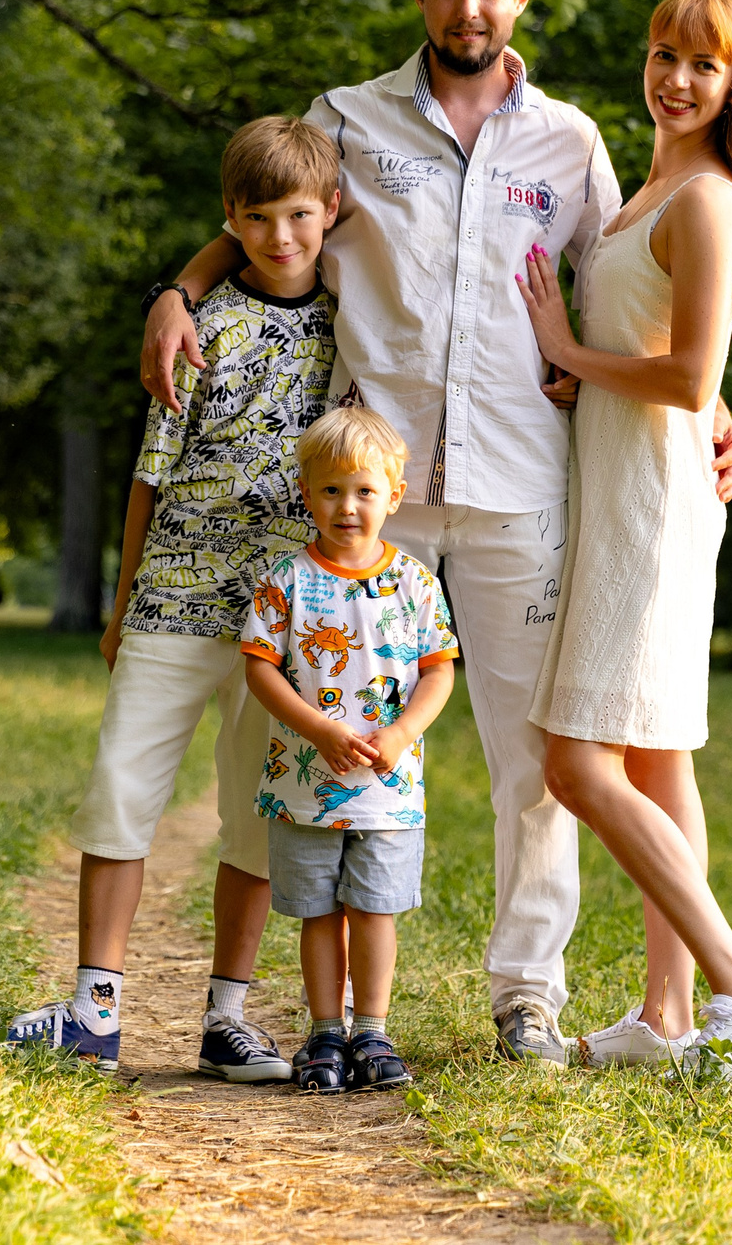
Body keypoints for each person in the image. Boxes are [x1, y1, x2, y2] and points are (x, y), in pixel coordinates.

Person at [139, 0, 732, 1065]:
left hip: (526, 486)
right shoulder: (350, 120)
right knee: (319, 730)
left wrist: (714, 404)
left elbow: (630, 273)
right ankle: (304, 1003)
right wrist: (178, 288)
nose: (469, 8)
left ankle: (528, 991)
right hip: (377, 493)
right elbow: (278, 216)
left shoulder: (569, 140)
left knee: (535, 757)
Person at [6, 116, 342, 1081]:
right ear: (230, 220)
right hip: (172, 603)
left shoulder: (350, 328)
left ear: (329, 214)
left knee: (253, 816)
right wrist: (120, 605)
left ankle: (226, 1019)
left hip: (280, 619)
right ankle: (93, 1008)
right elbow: (147, 480)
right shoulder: (198, 328)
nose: (282, 238)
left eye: (299, 216)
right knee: (121, 792)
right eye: (259, 218)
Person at [515, 0, 732, 1069]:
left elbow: (689, 379)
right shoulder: (651, 190)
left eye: (702, 64)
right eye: (662, 55)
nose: (675, 79)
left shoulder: (707, 200)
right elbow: (665, 357)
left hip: (653, 506)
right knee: (654, 758)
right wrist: (579, 382)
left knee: (576, 765)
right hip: (624, 486)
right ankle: (666, 1016)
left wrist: (566, 348)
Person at [240, 407, 460, 1092]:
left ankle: (373, 1030)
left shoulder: (416, 583)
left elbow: (439, 670)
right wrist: (318, 729)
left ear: (393, 497)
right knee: (318, 910)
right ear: (307, 493)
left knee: (374, 908)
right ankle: (325, 1034)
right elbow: (260, 667)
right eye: (332, 490)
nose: (347, 506)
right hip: (305, 784)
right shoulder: (287, 581)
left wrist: (399, 734)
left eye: (364, 490)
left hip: (387, 790)